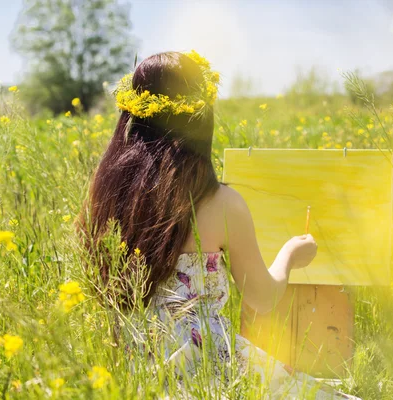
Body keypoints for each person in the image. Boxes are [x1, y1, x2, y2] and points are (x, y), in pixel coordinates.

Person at [79, 51, 359, 399]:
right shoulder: (221, 202)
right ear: (200, 118)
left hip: (131, 363)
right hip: (206, 364)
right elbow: (261, 297)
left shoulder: (107, 192)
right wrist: (290, 255)